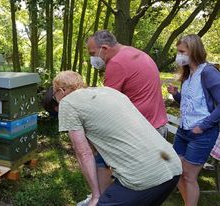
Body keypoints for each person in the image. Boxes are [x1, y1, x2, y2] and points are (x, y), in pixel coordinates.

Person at [53, 71, 182, 206]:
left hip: (142, 177)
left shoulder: (68, 102)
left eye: (55, 95)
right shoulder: (109, 91)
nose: (56, 99)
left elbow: (83, 153)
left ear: (61, 91)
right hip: (172, 166)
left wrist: (96, 196)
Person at [167, 34, 220, 206]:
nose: (178, 55)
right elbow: (191, 105)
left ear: (193, 51)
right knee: (177, 172)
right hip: (183, 131)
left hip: (201, 134)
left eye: (182, 51)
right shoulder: (188, 74)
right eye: (178, 51)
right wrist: (176, 95)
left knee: (189, 176)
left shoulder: (208, 72)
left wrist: (203, 126)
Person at [86, 30, 168, 137]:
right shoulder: (132, 52)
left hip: (144, 132)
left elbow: (107, 104)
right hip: (158, 125)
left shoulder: (116, 63)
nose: (92, 59)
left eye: (93, 54)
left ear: (105, 48)